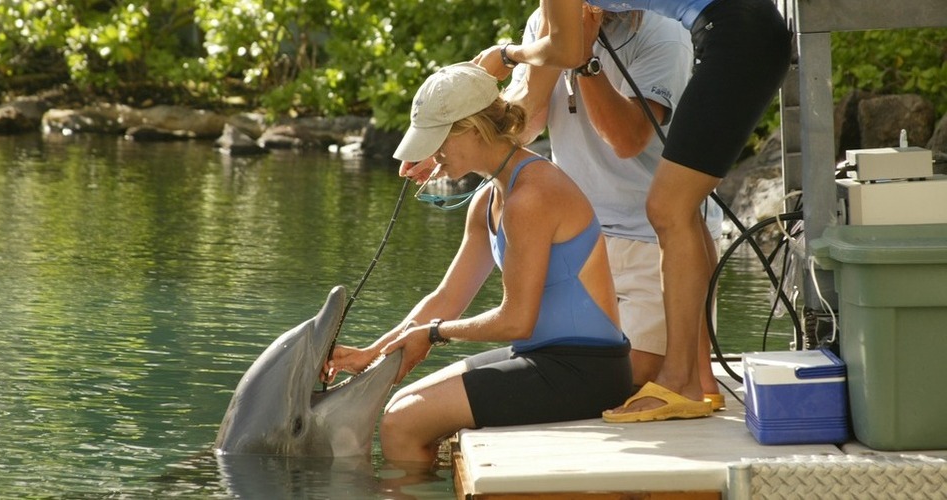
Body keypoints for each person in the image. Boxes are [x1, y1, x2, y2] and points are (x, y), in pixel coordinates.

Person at [476, 0, 791, 422]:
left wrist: (505, 54)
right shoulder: (552, 18)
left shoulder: (659, 34)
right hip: (734, 30)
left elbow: (570, 56)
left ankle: (682, 383)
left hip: (736, 31)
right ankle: (699, 380)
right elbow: (532, 109)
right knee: (678, 206)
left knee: (668, 207)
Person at [323, 61, 634, 467]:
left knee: (403, 422)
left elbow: (517, 320)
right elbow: (448, 296)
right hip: (543, 357)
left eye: (438, 140)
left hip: (585, 373)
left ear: (472, 128)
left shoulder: (531, 197)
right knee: (401, 405)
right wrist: (374, 352)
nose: (432, 155)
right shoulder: (489, 199)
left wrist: (432, 334)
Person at [504, 7, 725, 410]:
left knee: (620, 378)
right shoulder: (547, 21)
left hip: (650, 243)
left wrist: (583, 60)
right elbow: (522, 128)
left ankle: (691, 369)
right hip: (581, 241)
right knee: (553, 368)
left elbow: (627, 139)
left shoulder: (667, 34)